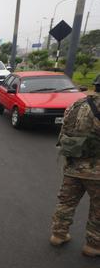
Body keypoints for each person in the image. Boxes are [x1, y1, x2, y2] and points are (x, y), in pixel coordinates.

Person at [51, 74, 100, 257]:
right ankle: (93, 246)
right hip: (97, 171)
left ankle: (58, 235)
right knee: (98, 209)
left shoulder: (76, 105)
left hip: (73, 165)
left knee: (66, 202)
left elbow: (65, 130)